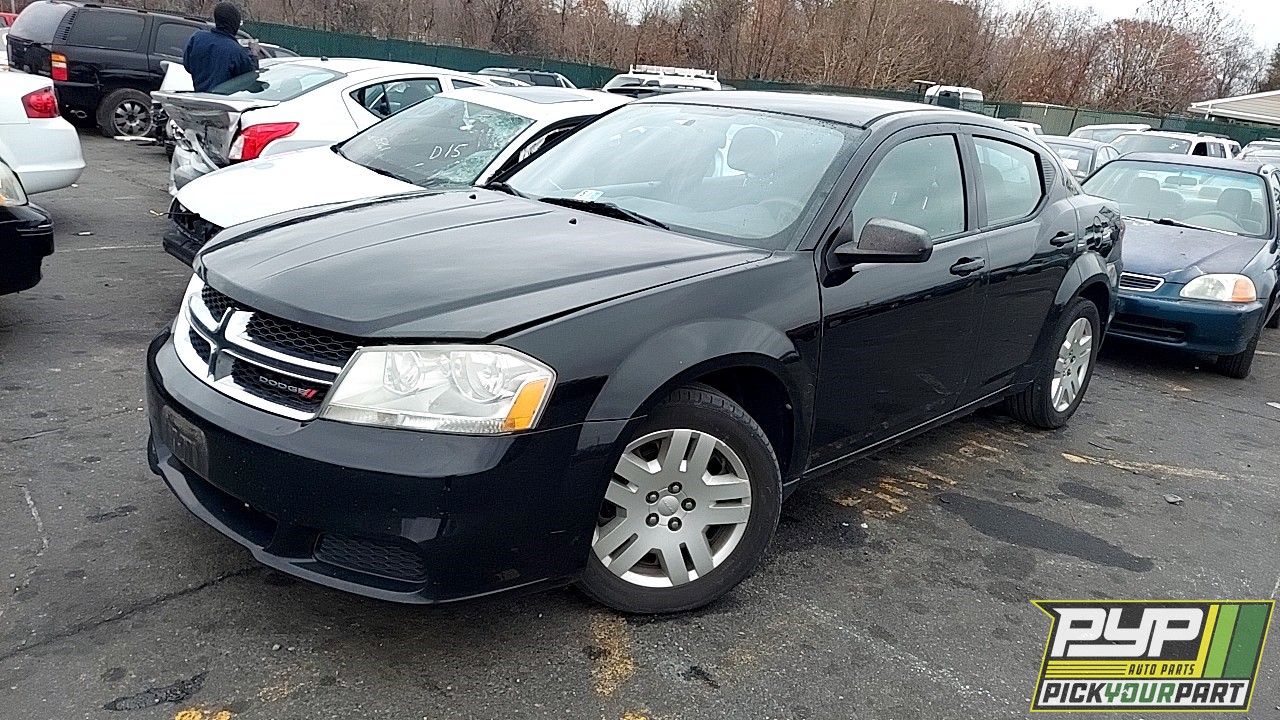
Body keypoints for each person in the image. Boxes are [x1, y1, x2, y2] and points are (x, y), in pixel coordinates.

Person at [183, 2, 259, 93]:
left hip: (199, 98)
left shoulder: (197, 38)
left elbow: (187, 65)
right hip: (223, 103)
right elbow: (250, 79)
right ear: (235, 23)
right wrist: (254, 53)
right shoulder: (236, 51)